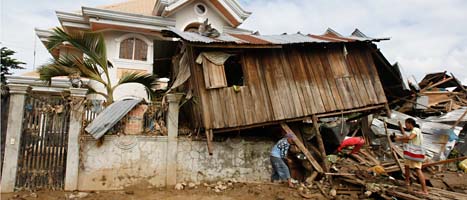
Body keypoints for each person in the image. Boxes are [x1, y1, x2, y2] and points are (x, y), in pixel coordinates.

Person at [393, 118, 428, 195]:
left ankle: (424, 190)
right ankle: (407, 182)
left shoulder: (416, 130)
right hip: (411, 153)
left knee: (418, 170)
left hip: (416, 153)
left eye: (406, 124)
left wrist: (399, 138)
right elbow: (408, 140)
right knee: (406, 166)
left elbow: (409, 138)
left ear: (410, 123)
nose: (405, 126)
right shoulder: (413, 131)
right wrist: (399, 139)